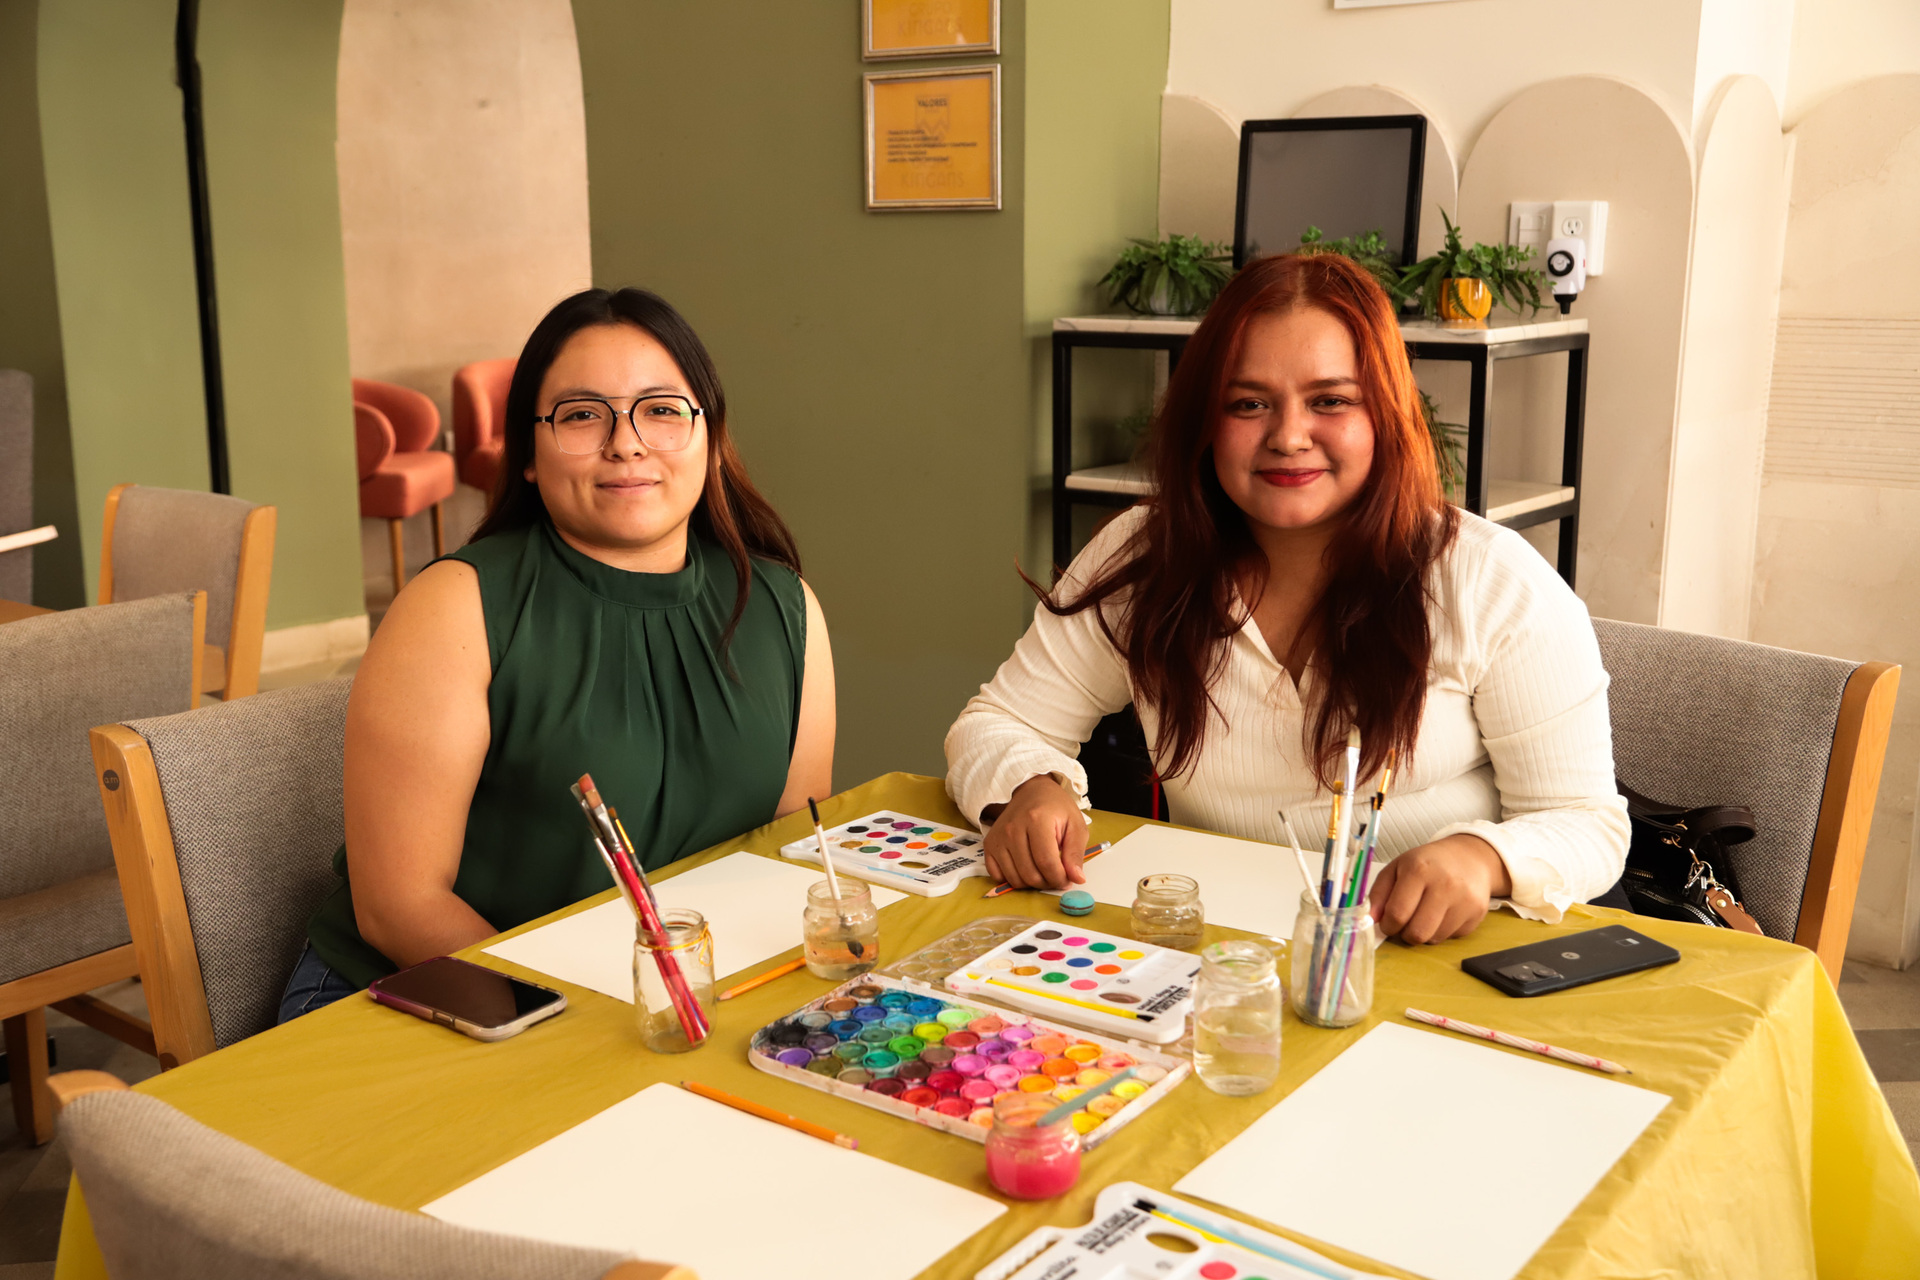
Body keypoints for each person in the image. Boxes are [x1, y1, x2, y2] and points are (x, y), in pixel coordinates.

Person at [945, 253, 1626, 944]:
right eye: (1249, 404)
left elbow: (1587, 822)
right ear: (1206, 421)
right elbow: (998, 722)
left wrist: (1483, 858)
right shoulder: (1145, 557)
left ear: (1385, 413)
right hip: (1223, 951)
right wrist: (1030, 786)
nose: (1289, 437)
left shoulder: (1491, 578)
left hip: (1444, 955)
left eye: (1331, 401)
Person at [281, 287, 834, 1020]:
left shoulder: (784, 606)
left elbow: (784, 850)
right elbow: (399, 908)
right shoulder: (455, 606)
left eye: (661, 410)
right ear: (529, 454)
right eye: (581, 415)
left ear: (709, 435)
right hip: (430, 995)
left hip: (665, 1002)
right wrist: (585, 1024)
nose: (626, 443)